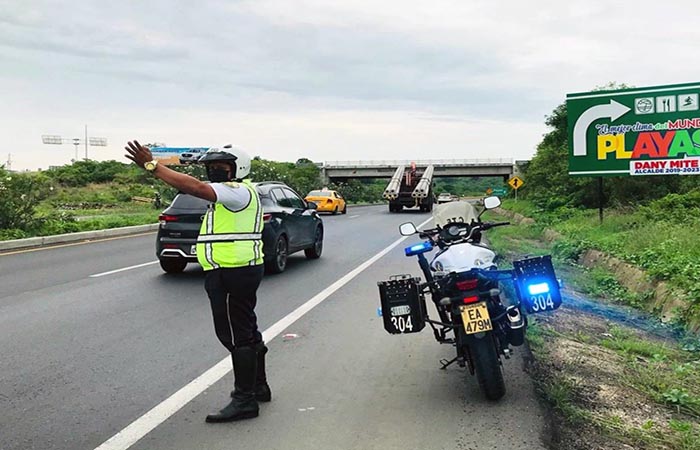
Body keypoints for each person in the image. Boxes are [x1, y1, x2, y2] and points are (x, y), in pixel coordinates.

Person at [125, 140, 271, 423]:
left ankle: (244, 400)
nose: (214, 171)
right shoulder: (234, 195)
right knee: (247, 328)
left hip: (232, 271)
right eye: (211, 167)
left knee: (234, 335)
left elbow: (195, 187)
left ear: (236, 169)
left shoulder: (237, 191)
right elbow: (192, 186)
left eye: (220, 166)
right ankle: (258, 386)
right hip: (239, 269)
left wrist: (153, 166)